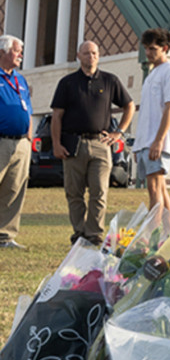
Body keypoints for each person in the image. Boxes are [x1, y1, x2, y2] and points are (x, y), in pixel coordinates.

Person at [50, 41, 135, 246]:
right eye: (87, 53)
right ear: (78, 55)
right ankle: (79, 233)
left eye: (95, 53)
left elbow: (129, 106)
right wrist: (56, 143)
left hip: (100, 144)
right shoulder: (67, 83)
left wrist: (119, 133)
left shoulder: (109, 81)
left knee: (99, 191)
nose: (91, 57)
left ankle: (94, 234)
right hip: (73, 144)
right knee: (74, 193)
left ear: (99, 55)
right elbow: (56, 116)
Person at [135, 28, 170, 218]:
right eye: (146, 48)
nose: (148, 53)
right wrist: (139, 145)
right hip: (146, 142)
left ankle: (153, 239)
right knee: (160, 189)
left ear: (164, 48)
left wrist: (158, 140)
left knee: (154, 189)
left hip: (158, 142)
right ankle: (168, 234)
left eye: (153, 49)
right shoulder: (152, 74)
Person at [0, 35, 32, 250]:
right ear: (3, 52)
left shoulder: (20, 79)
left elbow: (27, 106)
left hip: (21, 143)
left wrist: (29, 136)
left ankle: (5, 236)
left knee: (14, 189)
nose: (20, 54)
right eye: (16, 50)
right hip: (1, 141)